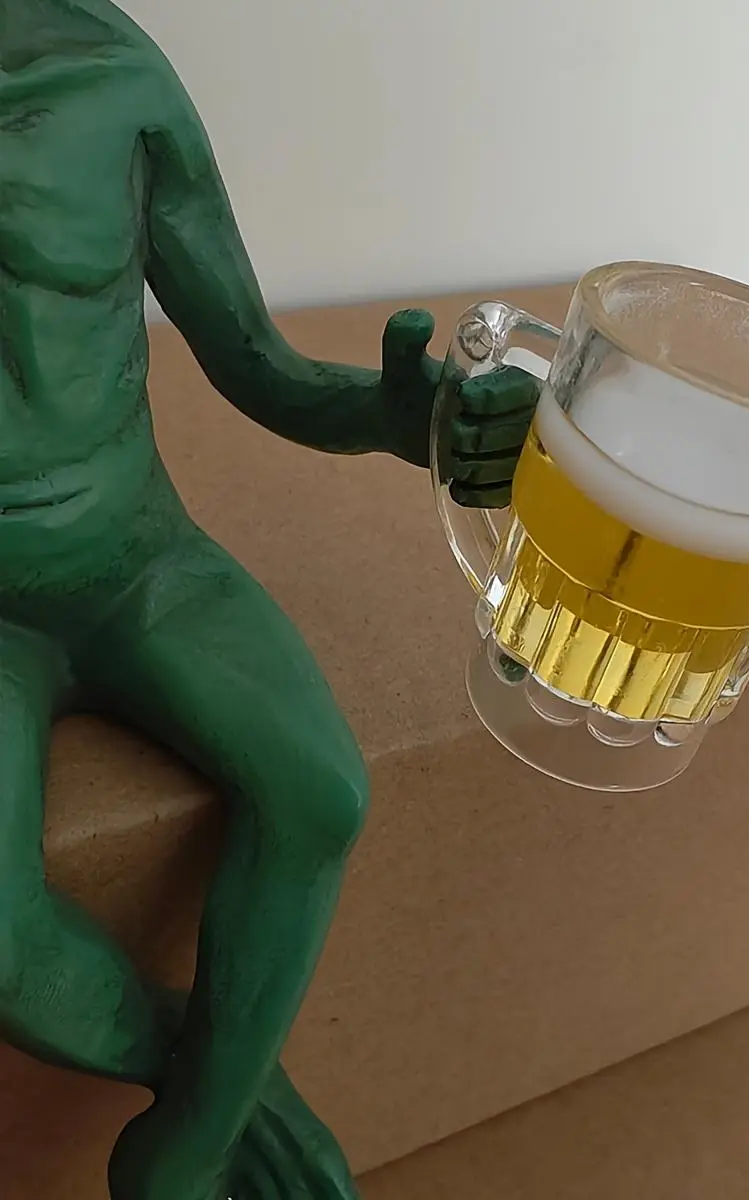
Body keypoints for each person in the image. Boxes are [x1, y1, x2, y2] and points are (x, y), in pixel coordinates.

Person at [0, 2, 536, 1197]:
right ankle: (228, 1089)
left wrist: (400, 419)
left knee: (320, 788)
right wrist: (215, 1075)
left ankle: (188, 1150)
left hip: (138, 555)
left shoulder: (114, 76)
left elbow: (259, 364)